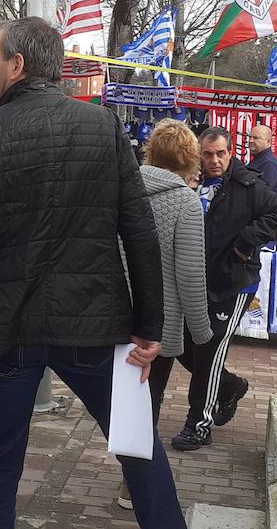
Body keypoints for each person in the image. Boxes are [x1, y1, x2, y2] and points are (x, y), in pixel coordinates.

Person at [0, 17, 186, 529]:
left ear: (18, 65)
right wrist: (149, 327)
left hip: (4, 328)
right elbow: (138, 233)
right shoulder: (103, 128)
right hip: (95, 323)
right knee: (139, 452)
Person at [172, 126, 277, 452]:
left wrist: (246, 242)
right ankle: (228, 386)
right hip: (195, 281)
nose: (214, 160)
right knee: (182, 344)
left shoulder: (247, 183)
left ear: (231, 152)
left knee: (209, 347)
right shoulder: (188, 181)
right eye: (208, 154)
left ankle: (199, 424)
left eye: (220, 154)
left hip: (233, 282)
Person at [116, 119, 213, 510]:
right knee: (148, 405)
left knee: (125, 402)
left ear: (151, 152)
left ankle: (129, 479)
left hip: (117, 314)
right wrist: (203, 332)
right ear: (190, 157)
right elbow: (190, 275)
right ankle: (134, 488)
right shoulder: (186, 202)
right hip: (160, 322)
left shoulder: (123, 191)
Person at [245, 124, 277, 196]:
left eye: (256, 138)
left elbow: (263, 195)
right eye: (250, 137)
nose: (251, 141)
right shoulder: (260, 159)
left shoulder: (269, 163)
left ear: (268, 141)